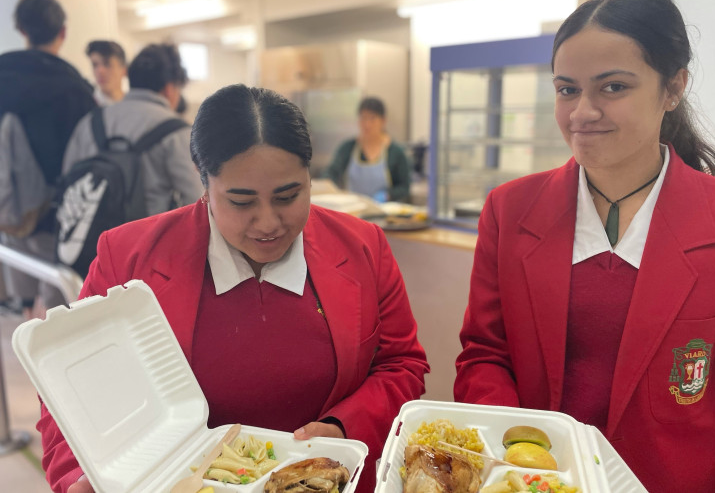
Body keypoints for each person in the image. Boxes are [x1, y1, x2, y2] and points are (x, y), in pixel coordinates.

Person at [38, 85, 430, 493]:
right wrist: (78, 479)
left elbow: (401, 364)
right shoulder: (128, 257)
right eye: (241, 201)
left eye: (288, 196)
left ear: (311, 178)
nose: (267, 222)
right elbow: (71, 393)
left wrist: (344, 426)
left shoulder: (362, 247)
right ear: (204, 183)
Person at [453, 0, 715, 491]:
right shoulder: (510, 211)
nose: (582, 112)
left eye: (613, 87)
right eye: (566, 89)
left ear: (673, 87)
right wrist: (516, 460)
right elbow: (485, 355)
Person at [0, 0, 96, 317]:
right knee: (58, 300)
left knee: (23, 300)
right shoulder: (76, 88)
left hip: (8, 210)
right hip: (55, 215)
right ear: (63, 33)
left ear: (21, 29)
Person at [63, 43, 202, 216]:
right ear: (169, 88)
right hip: (146, 240)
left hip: (92, 239)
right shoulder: (176, 131)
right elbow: (198, 200)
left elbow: (68, 180)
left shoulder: (90, 122)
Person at [325, 97, 411, 202]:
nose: (367, 124)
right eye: (363, 118)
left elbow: (404, 187)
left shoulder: (396, 152)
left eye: (372, 118)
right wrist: (330, 189)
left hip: (385, 212)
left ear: (383, 121)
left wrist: (387, 195)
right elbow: (331, 173)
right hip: (354, 210)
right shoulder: (347, 148)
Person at [85, 40, 127, 105]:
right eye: (95, 65)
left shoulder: (134, 105)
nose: (100, 71)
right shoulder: (86, 106)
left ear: (124, 70)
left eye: (107, 64)